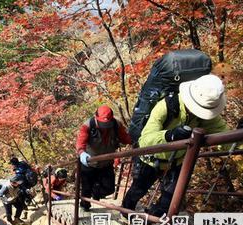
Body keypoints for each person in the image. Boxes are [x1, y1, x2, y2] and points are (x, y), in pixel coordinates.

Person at [122, 74, 229, 217]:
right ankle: (125, 211)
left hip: (176, 162)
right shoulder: (166, 106)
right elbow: (145, 139)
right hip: (150, 159)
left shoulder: (205, 115)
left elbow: (226, 138)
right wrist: (169, 135)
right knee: (138, 190)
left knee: (169, 198)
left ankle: (156, 222)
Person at [76, 105, 132, 211]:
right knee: (86, 190)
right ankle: (85, 206)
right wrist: (81, 152)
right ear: (96, 117)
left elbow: (124, 138)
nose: (105, 126)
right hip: (89, 163)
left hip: (106, 163)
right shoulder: (88, 125)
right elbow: (80, 141)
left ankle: (96, 191)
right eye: (102, 123)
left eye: (107, 123)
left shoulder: (116, 125)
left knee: (109, 188)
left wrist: (136, 141)